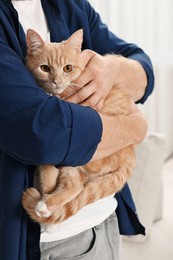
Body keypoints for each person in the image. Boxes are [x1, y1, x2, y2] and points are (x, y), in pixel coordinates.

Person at [0, 0, 154, 260]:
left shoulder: (69, 4)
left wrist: (111, 69)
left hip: (103, 222)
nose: (58, 80)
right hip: (38, 241)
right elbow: (43, 133)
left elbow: (143, 69)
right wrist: (133, 127)